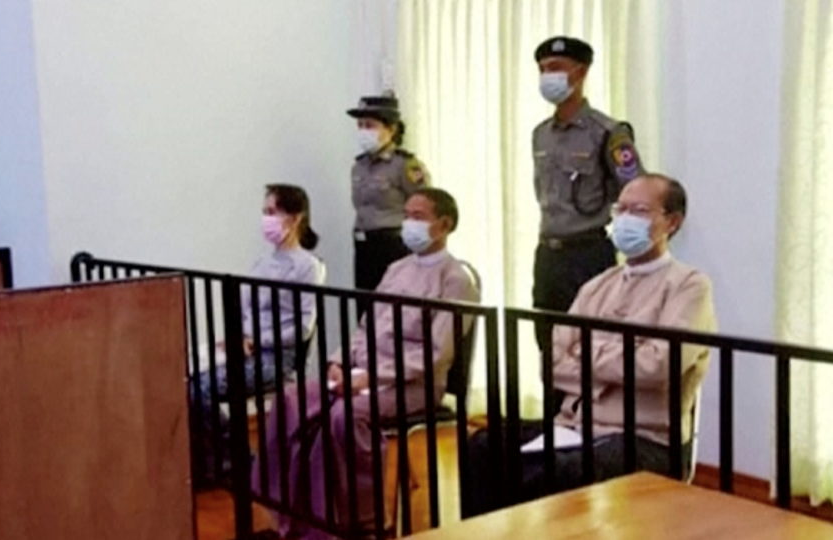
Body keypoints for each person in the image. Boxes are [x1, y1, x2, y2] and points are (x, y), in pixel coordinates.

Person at [467, 174, 717, 514]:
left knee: (560, 471)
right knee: (485, 446)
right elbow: (552, 364)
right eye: (621, 209)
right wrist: (618, 363)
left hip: (643, 435)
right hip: (574, 424)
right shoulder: (597, 285)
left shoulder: (689, 286)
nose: (625, 219)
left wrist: (586, 357)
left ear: (671, 222)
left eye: (640, 210)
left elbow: (658, 367)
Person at [256, 188, 480, 539]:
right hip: (365, 373)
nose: (409, 223)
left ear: (445, 224)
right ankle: (293, 507)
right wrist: (340, 362)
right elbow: (365, 326)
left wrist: (371, 378)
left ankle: (364, 518)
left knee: (344, 417)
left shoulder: (456, 279)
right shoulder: (396, 269)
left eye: (419, 216)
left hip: (413, 385)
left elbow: (437, 352)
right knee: (292, 400)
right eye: (406, 214)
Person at [191, 184, 326, 486]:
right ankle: (211, 462)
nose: (266, 219)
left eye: (272, 212)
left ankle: (236, 460)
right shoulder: (262, 263)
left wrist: (259, 341)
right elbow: (244, 310)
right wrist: (236, 336)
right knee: (183, 380)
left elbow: (304, 327)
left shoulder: (308, 267)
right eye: (264, 212)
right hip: (246, 348)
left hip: (276, 357)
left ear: (294, 218)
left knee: (201, 388)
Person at [530, 36, 645, 350]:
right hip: (548, 255)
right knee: (549, 346)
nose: (546, 76)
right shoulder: (541, 134)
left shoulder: (608, 132)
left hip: (588, 254)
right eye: (541, 69)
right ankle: (553, 402)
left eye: (555, 67)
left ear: (580, 73)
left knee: (591, 346)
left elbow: (636, 192)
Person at [347, 93, 431, 304]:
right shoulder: (359, 165)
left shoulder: (405, 165)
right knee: (366, 308)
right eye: (360, 125)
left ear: (391, 129)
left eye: (370, 125)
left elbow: (425, 205)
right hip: (364, 246)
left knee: (394, 309)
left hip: (392, 245)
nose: (364, 131)